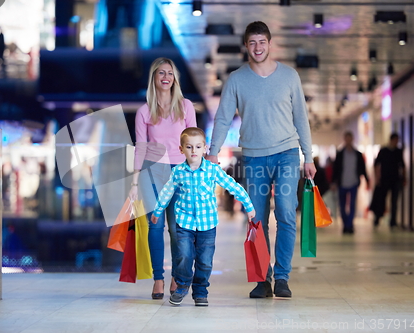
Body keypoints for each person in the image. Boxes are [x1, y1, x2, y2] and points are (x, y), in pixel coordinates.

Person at [207, 21, 316, 299]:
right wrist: (212, 151)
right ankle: (261, 279)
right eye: (252, 42)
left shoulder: (289, 77)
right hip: (254, 157)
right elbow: (222, 118)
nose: (257, 47)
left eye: (262, 42)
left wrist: (309, 156)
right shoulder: (236, 79)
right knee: (256, 219)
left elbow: (301, 118)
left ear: (270, 44)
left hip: (287, 154)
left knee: (286, 212)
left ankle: (282, 277)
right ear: (246, 46)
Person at [151, 127, 256, 306]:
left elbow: (232, 185)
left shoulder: (212, 170)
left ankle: (200, 291)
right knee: (184, 255)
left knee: (205, 261)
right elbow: (166, 192)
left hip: (207, 225)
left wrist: (248, 205)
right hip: (184, 223)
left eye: (198, 147)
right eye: (189, 147)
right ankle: (182, 285)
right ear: (181, 149)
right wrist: (157, 211)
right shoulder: (178, 172)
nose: (194, 151)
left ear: (205, 148)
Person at [129, 57, 197, 299]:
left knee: (178, 230)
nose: (166, 77)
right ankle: (158, 279)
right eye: (161, 73)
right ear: (154, 78)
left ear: (175, 78)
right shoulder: (144, 111)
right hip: (152, 172)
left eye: (170, 73)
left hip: (180, 172)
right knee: (155, 227)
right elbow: (141, 146)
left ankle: (178, 277)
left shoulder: (186, 106)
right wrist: (135, 182)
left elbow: (193, 143)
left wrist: (196, 174)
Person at [331, 131, 369, 234]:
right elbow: (336, 169)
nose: (348, 141)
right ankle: (345, 224)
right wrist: (333, 182)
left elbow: (362, 168)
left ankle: (350, 225)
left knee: (352, 205)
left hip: (354, 182)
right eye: (346, 138)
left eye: (350, 138)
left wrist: (367, 179)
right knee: (342, 205)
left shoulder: (358, 154)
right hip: (342, 183)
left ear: (352, 139)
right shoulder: (340, 154)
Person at [370, 133, 406, 229]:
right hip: (384, 179)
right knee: (381, 199)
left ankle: (393, 221)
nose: (396, 142)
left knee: (394, 201)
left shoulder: (398, 152)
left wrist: (404, 178)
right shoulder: (384, 151)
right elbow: (377, 165)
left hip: (395, 179)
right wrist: (377, 178)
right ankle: (377, 217)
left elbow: (402, 166)